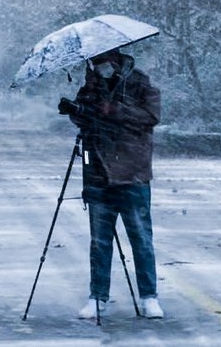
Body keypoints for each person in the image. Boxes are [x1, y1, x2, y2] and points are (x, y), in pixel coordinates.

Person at [57, 48, 164, 319]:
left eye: (99, 62)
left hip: (133, 171)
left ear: (114, 59)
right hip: (97, 172)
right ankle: (97, 297)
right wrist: (76, 109)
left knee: (140, 238)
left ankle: (149, 296)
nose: (95, 67)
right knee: (99, 241)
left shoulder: (140, 82)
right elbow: (86, 118)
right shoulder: (91, 85)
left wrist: (114, 108)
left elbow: (151, 117)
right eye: (92, 63)